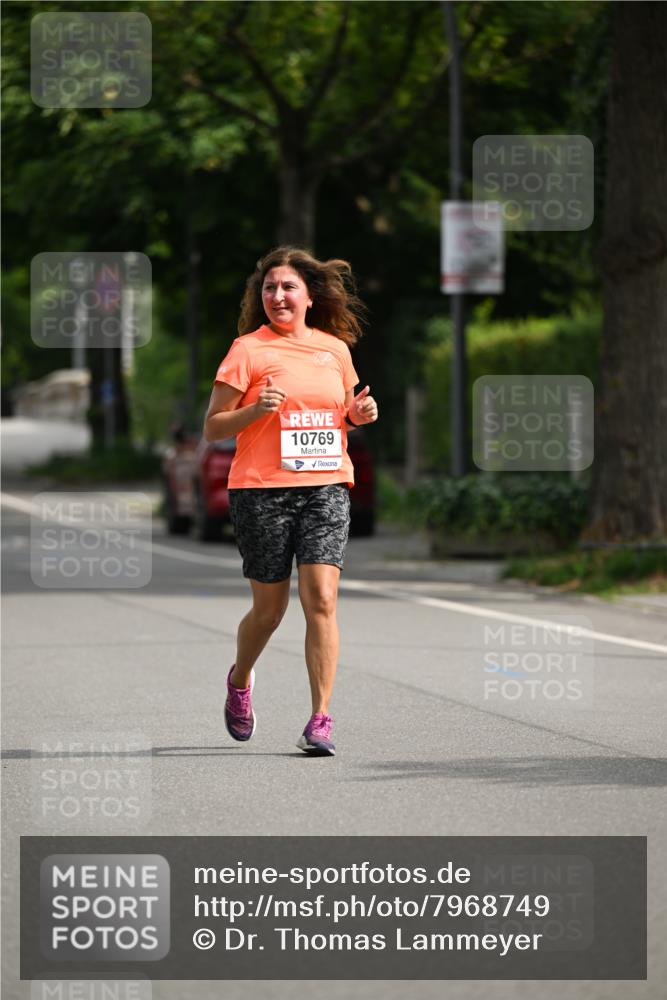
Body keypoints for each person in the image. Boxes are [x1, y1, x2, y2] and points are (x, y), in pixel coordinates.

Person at [203, 246, 378, 757]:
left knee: (321, 599)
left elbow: (343, 413)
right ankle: (240, 679)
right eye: (269, 288)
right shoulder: (247, 350)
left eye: (288, 287)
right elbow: (213, 426)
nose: (278, 296)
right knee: (270, 609)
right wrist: (256, 409)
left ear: (308, 296)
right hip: (261, 489)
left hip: (326, 486)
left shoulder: (335, 350)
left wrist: (359, 414)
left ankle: (320, 718)